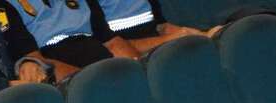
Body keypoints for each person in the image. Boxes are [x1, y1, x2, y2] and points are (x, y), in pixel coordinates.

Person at [87, 0, 222, 57]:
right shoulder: (87, 5)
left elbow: (162, 26)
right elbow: (112, 46)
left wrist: (204, 37)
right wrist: (171, 39)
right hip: (133, 61)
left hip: (160, 51)